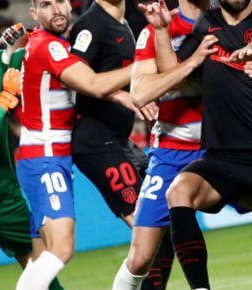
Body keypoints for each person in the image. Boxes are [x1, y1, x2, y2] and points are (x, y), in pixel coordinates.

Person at [141, 0, 252, 288]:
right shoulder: (207, 25)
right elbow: (174, 72)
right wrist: (161, 32)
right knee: (179, 191)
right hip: (221, 158)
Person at [14, 0, 150, 288]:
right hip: (45, 156)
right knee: (62, 248)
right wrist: (144, 65)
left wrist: (118, 95)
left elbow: (83, 86)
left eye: (60, 2)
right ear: (35, 13)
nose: (57, 10)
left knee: (42, 257)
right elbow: (93, 84)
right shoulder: (48, 46)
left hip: (49, 156)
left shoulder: (50, 43)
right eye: (46, 5)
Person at [112, 0, 213, 288]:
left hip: (223, 149)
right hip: (172, 152)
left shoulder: (227, 21)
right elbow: (141, 93)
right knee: (141, 256)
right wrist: (190, 64)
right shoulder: (155, 31)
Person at [0, 18, 63, 290]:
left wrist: (30, 34)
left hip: (6, 197)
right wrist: (4, 97)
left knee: (45, 276)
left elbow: (37, 55)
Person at [68, 0, 156, 230]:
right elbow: (72, 76)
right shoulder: (91, 24)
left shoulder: (123, 22)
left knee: (159, 212)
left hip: (118, 139)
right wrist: (118, 94)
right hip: (96, 141)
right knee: (145, 225)